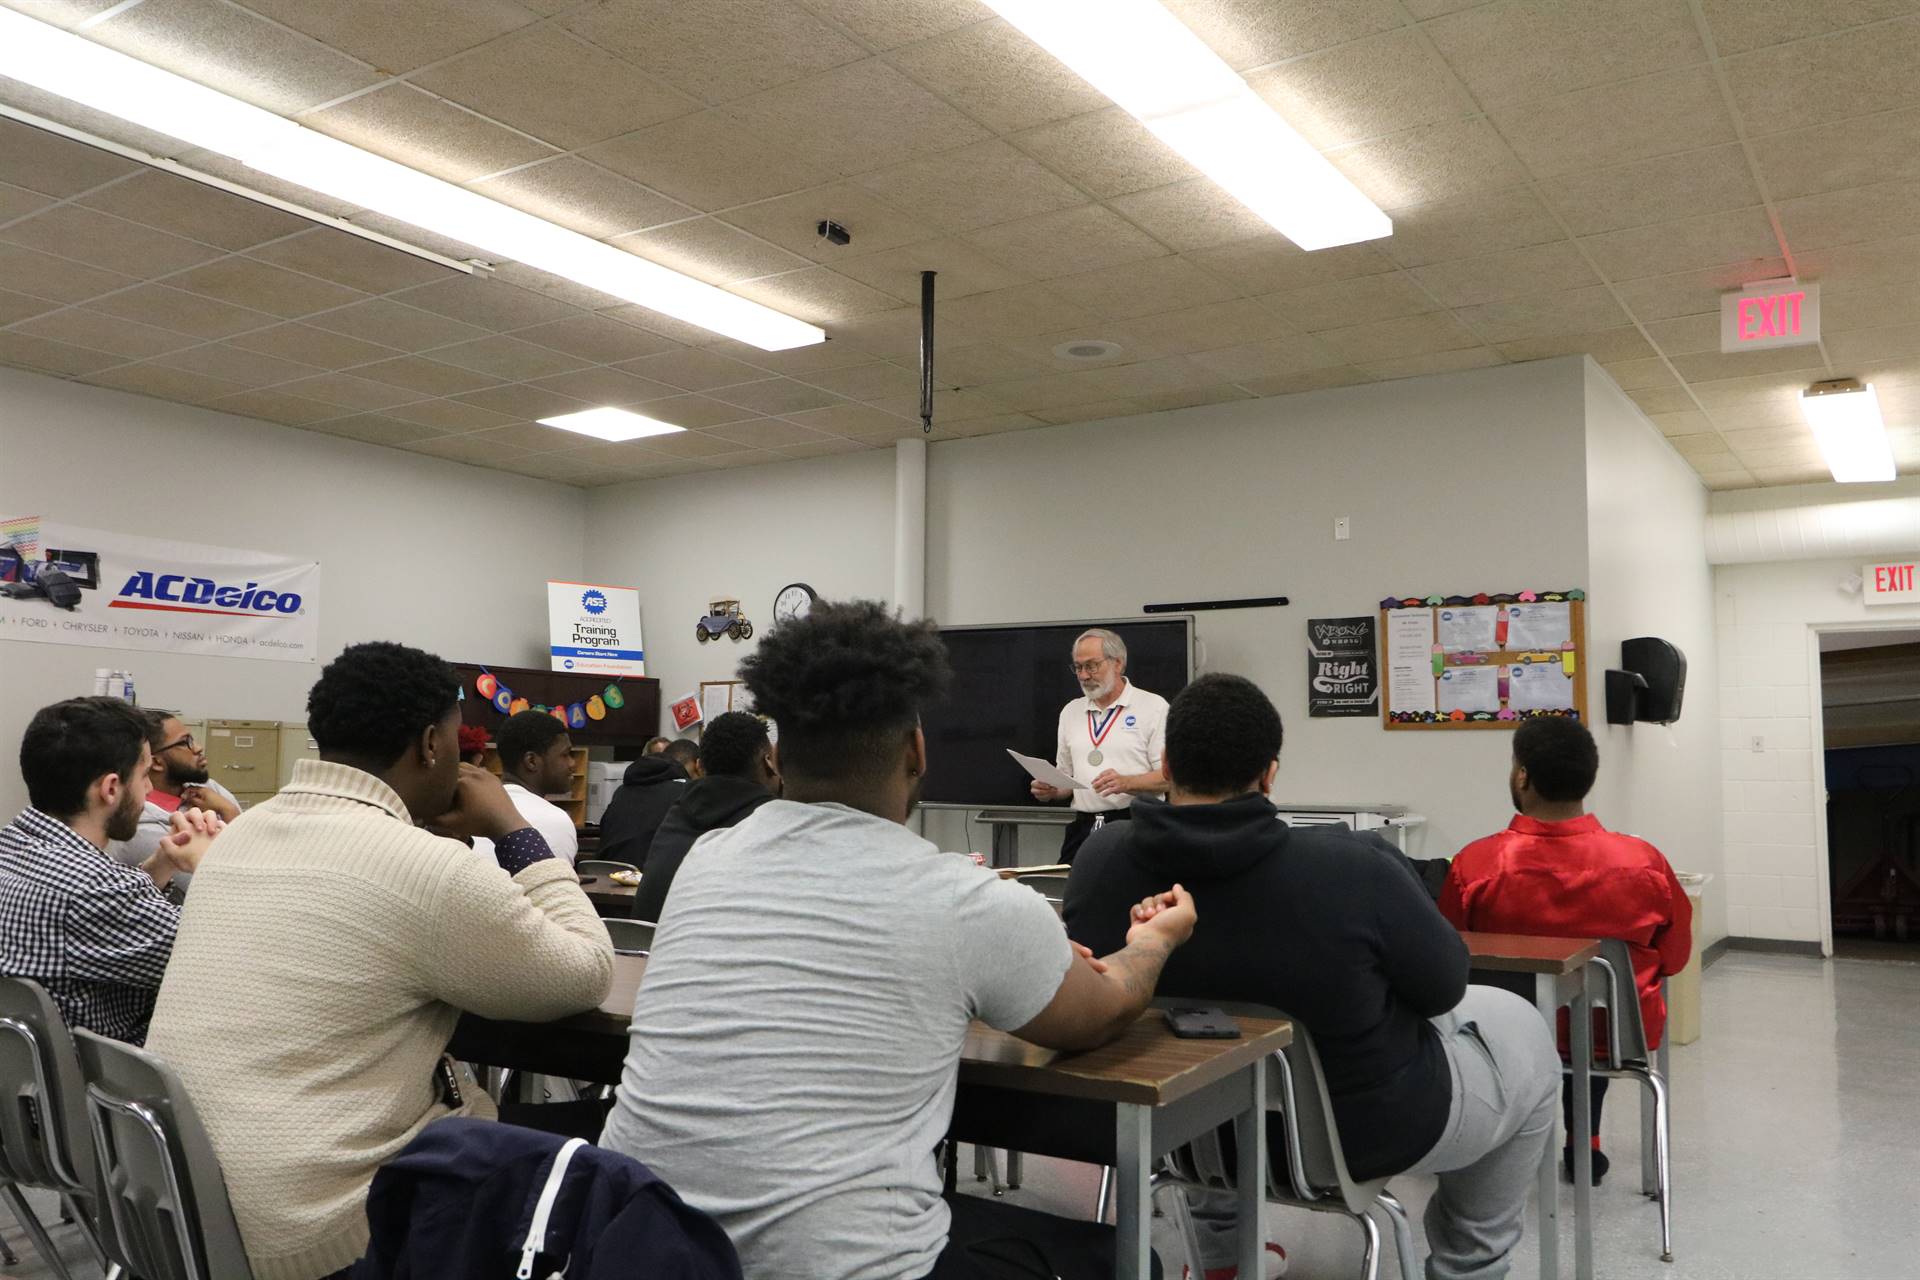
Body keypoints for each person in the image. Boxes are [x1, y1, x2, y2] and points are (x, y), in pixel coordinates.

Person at [599, 600, 1198, 1280]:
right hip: (843, 1268)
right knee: (1129, 1260)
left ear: (778, 756)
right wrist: (1155, 939)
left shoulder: (705, 860)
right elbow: (1106, 1011)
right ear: (916, 752)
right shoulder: (966, 902)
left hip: (641, 1246)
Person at [145, 641, 615, 1280]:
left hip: (188, 1211)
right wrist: (515, 830)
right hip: (330, 1232)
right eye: (455, 742)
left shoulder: (244, 832)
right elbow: (584, 973)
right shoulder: (427, 870)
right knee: (609, 1137)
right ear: (429, 744)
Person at [1066, 674, 1558, 1280]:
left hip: (1183, 1137)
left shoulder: (1099, 861)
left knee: (1198, 1038)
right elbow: (1442, 988)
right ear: (1270, 773)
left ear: (1165, 764)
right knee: (1524, 1031)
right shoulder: (1355, 864)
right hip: (1364, 1137)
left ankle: (1222, 1254)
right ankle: (1470, 1266)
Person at [1440, 717, 1693, 1185]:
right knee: (1585, 1018)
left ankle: (1499, 1148)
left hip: (1505, 1040)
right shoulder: (1645, 863)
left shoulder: (1476, 865)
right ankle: (1586, 1141)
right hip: (1617, 1037)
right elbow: (1674, 957)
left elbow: (1449, 960)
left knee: (1549, 1017)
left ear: (1522, 776)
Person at [1, 697, 216, 1043]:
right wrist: (211, 866)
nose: (148, 789)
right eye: (144, 775)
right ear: (111, 788)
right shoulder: (95, 891)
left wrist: (162, 865)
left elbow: (100, 898)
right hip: (115, 1085)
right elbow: (223, 959)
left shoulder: (14, 846)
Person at [1029, 628, 1169, 862]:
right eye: (1078, 667)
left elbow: (1170, 778)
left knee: (1129, 895)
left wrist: (1127, 782)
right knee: (1067, 894)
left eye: (1092, 666)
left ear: (1118, 664)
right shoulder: (1071, 711)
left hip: (1137, 824)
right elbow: (1067, 779)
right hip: (1082, 827)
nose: (1084, 675)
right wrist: (1052, 790)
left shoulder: (1153, 707)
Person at [632, 711, 779, 921]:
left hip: (647, 948)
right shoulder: (769, 822)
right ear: (769, 762)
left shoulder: (677, 812)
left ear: (700, 767)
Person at [105, 709, 240, 873]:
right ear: (156, 762)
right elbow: (218, 880)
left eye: (192, 739)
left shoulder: (210, 788)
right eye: (184, 743)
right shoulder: (142, 827)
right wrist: (229, 813)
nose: (198, 748)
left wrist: (228, 810)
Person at [473, 709, 580, 866]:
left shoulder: (474, 808)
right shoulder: (555, 819)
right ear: (531, 761)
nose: (572, 763)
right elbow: (552, 890)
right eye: (566, 754)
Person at [598, 737, 700, 866]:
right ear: (698, 765)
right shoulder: (687, 791)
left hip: (605, 874)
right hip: (648, 878)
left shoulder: (622, 791)